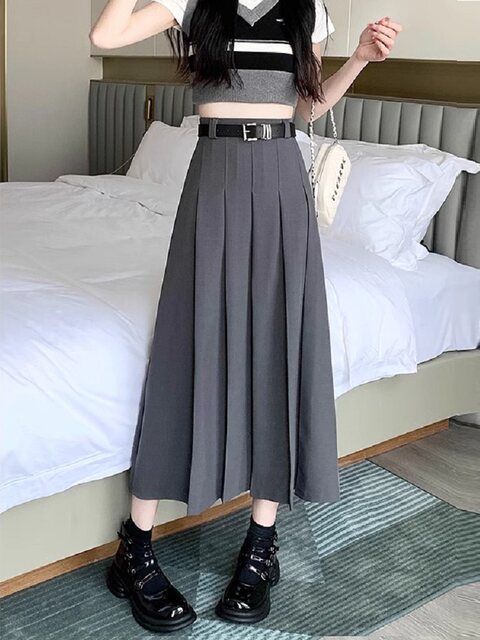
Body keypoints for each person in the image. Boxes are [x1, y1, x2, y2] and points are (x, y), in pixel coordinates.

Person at [90, 0, 402, 633]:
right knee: (186, 345)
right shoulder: (191, 2)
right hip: (215, 177)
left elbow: (307, 107)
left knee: (276, 348)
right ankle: (135, 547)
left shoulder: (308, 9)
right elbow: (107, 32)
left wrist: (360, 61)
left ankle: (261, 545)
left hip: (283, 180)